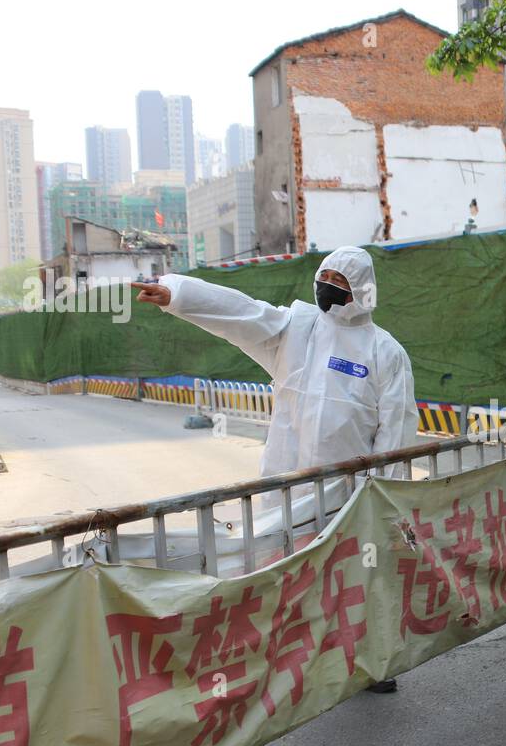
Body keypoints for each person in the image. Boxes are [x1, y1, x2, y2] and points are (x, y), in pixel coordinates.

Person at [133, 245, 417, 694]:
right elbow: (239, 312)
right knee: (288, 575)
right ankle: (294, 659)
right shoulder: (297, 330)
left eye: (340, 283)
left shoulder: (386, 352)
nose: (328, 288)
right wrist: (177, 293)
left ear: (361, 291)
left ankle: (373, 662)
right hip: (288, 488)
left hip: (350, 493)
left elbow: (396, 429)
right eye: (325, 277)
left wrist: (382, 494)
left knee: (360, 578)